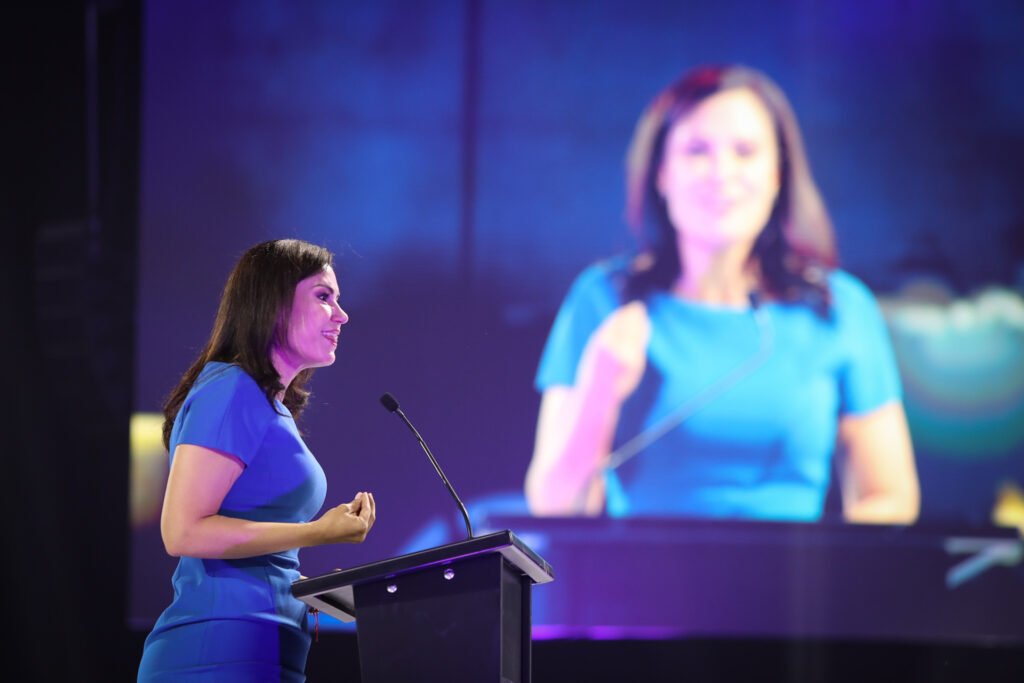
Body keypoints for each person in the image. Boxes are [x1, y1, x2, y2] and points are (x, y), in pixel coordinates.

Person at [524, 65, 920, 524]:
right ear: (661, 174)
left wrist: (822, 564)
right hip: (637, 569)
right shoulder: (604, 299)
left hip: (798, 573)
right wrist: (599, 388)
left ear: (778, 174)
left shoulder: (840, 308)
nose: (721, 173)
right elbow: (556, 507)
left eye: (745, 152)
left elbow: (890, 498)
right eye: (697, 151)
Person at [137, 239, 376, 682]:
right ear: (274, 304)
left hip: (267, 648)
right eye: (324, 297)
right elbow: (182, 531)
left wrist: (313, 590)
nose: (341, 315)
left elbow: (260, 551)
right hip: (217, 651)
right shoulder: (231, 389)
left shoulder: (267, 405)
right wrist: (317, 532)